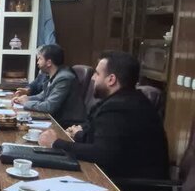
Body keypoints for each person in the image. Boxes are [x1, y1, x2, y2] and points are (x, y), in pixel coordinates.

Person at [39, 51, 169, 180]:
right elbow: (105, 141)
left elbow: (101, 153)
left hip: (129, 186)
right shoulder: (125, 100)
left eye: (97, 73)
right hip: (117, 175)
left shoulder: (120, 107)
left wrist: (56, 143)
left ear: (111, 79)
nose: (93, 78)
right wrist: (79, 134)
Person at [13, 44, 85, 128]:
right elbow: (43, 95)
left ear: (49, 63)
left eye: (40, 59)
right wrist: (26, 98)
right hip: (56, 119)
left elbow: (49, 106)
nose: (37, 62)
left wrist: (26, 103)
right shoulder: (53, 74)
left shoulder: (64, 78)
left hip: (69, 125)